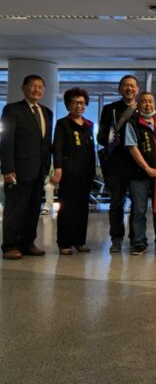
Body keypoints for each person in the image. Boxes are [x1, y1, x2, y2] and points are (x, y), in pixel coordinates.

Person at [1, 74, 53, 260]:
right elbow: (6, 141)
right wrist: (7, 168)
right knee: (15, 209)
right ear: (23, 88)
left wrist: (48, 168)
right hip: (18, 170)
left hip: (39, 170)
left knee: (32, 210)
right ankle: (10, 245)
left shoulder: (47, 112)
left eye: (40, 87)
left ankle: (27, 243)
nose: (36, 90)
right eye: (32, 86)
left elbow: (46, 142)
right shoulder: (12, 110)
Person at [125, 92, 156, 254]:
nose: (148, 105)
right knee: (139, 209)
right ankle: (139, 242)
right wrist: (147, 168)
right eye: (144, 102)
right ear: (138, 105)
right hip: (139, 174)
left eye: (151, 102)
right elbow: (132, 148)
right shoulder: (132, 123)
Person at [97, 74, 139, 253]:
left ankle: (136, 238)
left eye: (132, 86)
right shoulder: (110, 109)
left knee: (138, 204)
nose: (129, 89)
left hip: (138, 166)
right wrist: (111, 138)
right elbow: (100, 137)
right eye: (125, 86)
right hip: (116, 165)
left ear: (137, 89)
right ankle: (116, 238)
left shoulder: (142, 110)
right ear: (120, 89)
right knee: (116, 203)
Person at [51, 87, 95, 255]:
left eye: (82, 103)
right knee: (67, 208)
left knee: (83, 208)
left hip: (86, 174)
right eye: (75, 103)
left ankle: (79, 241)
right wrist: (58, 168)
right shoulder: (63, 124)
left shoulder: (88, 125)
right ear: (68, 105)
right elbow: (57, 148)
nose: (79, 106)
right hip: (69, 173)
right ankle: (64, 243)